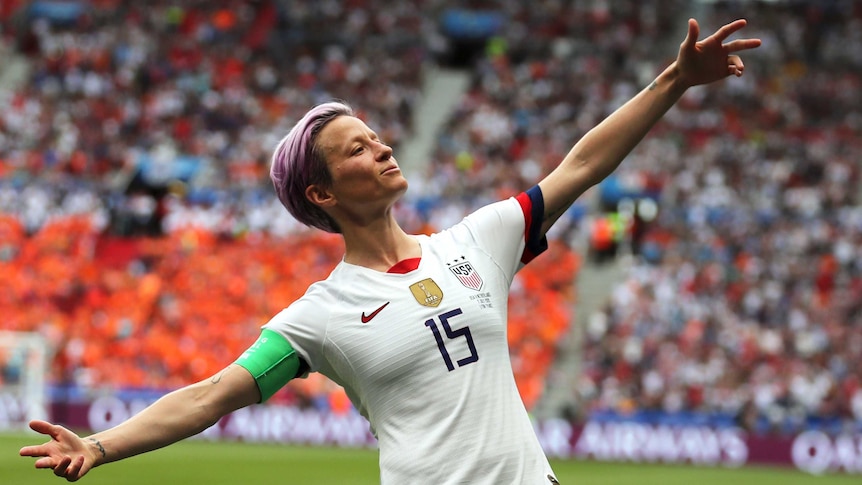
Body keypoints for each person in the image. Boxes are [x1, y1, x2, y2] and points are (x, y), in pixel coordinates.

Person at [19, 18, 760, 484]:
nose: (381, 147)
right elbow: (211, 396)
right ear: (322, 193)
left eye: (376, 136)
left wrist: (673, 82)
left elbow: (581, 166)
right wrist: (102, 446)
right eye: (356, 148)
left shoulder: (479, 242)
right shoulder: (319, 316)